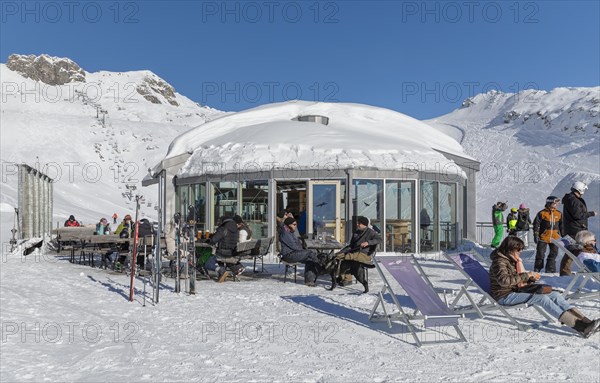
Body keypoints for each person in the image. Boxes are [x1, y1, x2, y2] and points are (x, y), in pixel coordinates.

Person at [489, 236, 600, 338]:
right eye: (518, 250)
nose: (520, 252)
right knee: (542, 299)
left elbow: (514, 278)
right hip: (504, 295)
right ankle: (580, 327)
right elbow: (504, 281)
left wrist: (529, 278)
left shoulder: (511, 259)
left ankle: (586, 322)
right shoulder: (499, 262)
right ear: (510, 249)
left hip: (516, 290)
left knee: (555, 295)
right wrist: (526, 275)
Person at [559, 181, 598, 276]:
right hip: (575, 230)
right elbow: (578, 215)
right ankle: (566, 271)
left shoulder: (572, 199)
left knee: (573, 250)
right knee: (575, 250)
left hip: (575, 228)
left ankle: (566, 271)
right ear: (580, 190)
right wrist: (591, 213)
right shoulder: (573, 200)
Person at [331, 216, 382, 286]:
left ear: (364, 224)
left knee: (347, 257)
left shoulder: (371, 232)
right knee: (339, 256)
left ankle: (348, 279)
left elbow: (379, 240)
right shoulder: (356, 232)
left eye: (359, 223)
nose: (357, 224)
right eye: (358, 223)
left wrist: (368, 243)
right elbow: (351, 245)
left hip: (365, 254)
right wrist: (341, 252)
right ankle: (341, 276)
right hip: (355, 252)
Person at [279, 217, 323, 286]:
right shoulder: (285, 234)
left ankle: (309, 281)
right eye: (294, 224)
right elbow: (294, 246)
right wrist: (304, 251)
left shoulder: (289, 232)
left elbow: (297, 243)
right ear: (289, 225)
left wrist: (302, 247)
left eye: (296, 224)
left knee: (309, 259)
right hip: (288, 255)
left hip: (293, 253)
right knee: (309, 253)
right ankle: (321, 266)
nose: (295, 226)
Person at [533, 196, 563, 273]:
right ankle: (537, 268)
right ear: (549, 203)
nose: (556, 205)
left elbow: (562, 226)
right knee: (540, 253)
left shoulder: (559, 213)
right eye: (554, 203)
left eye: (557, 204)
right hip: (543, 237)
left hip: (555, 237)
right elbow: (536, 225)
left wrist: (563, 236)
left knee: (554, 253)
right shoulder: (542, 213)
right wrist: (536, 234)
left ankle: (550, 269)